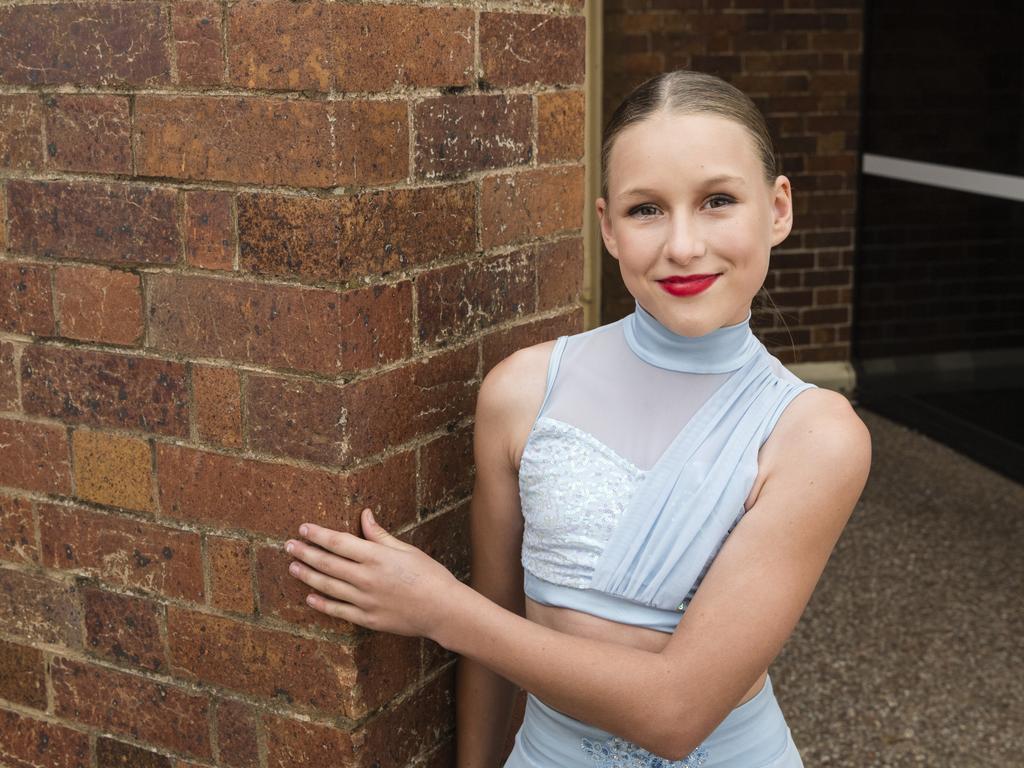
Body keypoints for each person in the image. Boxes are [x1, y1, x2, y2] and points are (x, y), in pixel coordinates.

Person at [282, 69, 872, 768]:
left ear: (777, 209)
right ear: (607, 227)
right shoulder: (523, 392)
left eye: (717, 200)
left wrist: (439, 609)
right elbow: (496, 644)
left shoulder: (815, 437)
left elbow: (676, 713)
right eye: (645, 209)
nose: (682, 245)